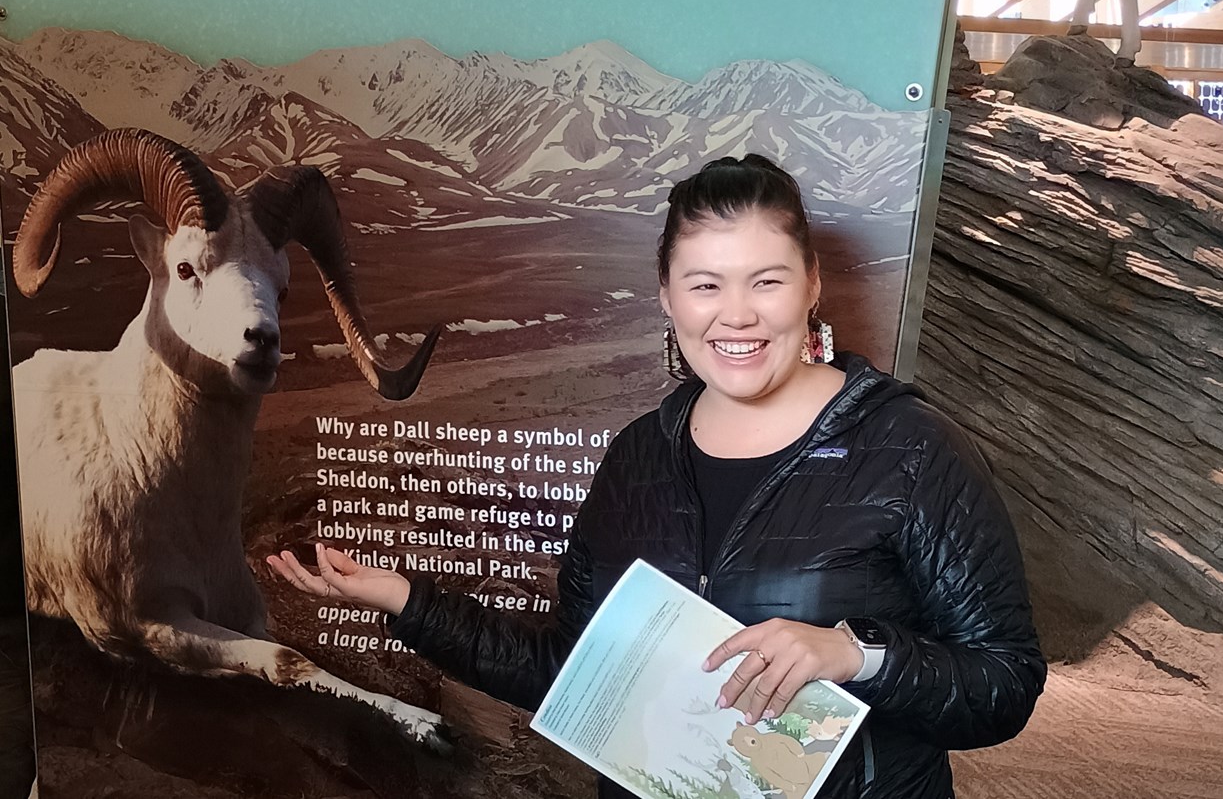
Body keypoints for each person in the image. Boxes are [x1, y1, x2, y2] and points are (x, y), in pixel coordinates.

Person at [270, 154, 1046, 799]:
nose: (735, 315)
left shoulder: (910, 450)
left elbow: (1003, 684)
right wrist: (403, 600)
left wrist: (858, 654)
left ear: (811, 286)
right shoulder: (640, 457)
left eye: (766, 281)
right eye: (705, 284)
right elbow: (567, 670)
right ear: (667, 297)